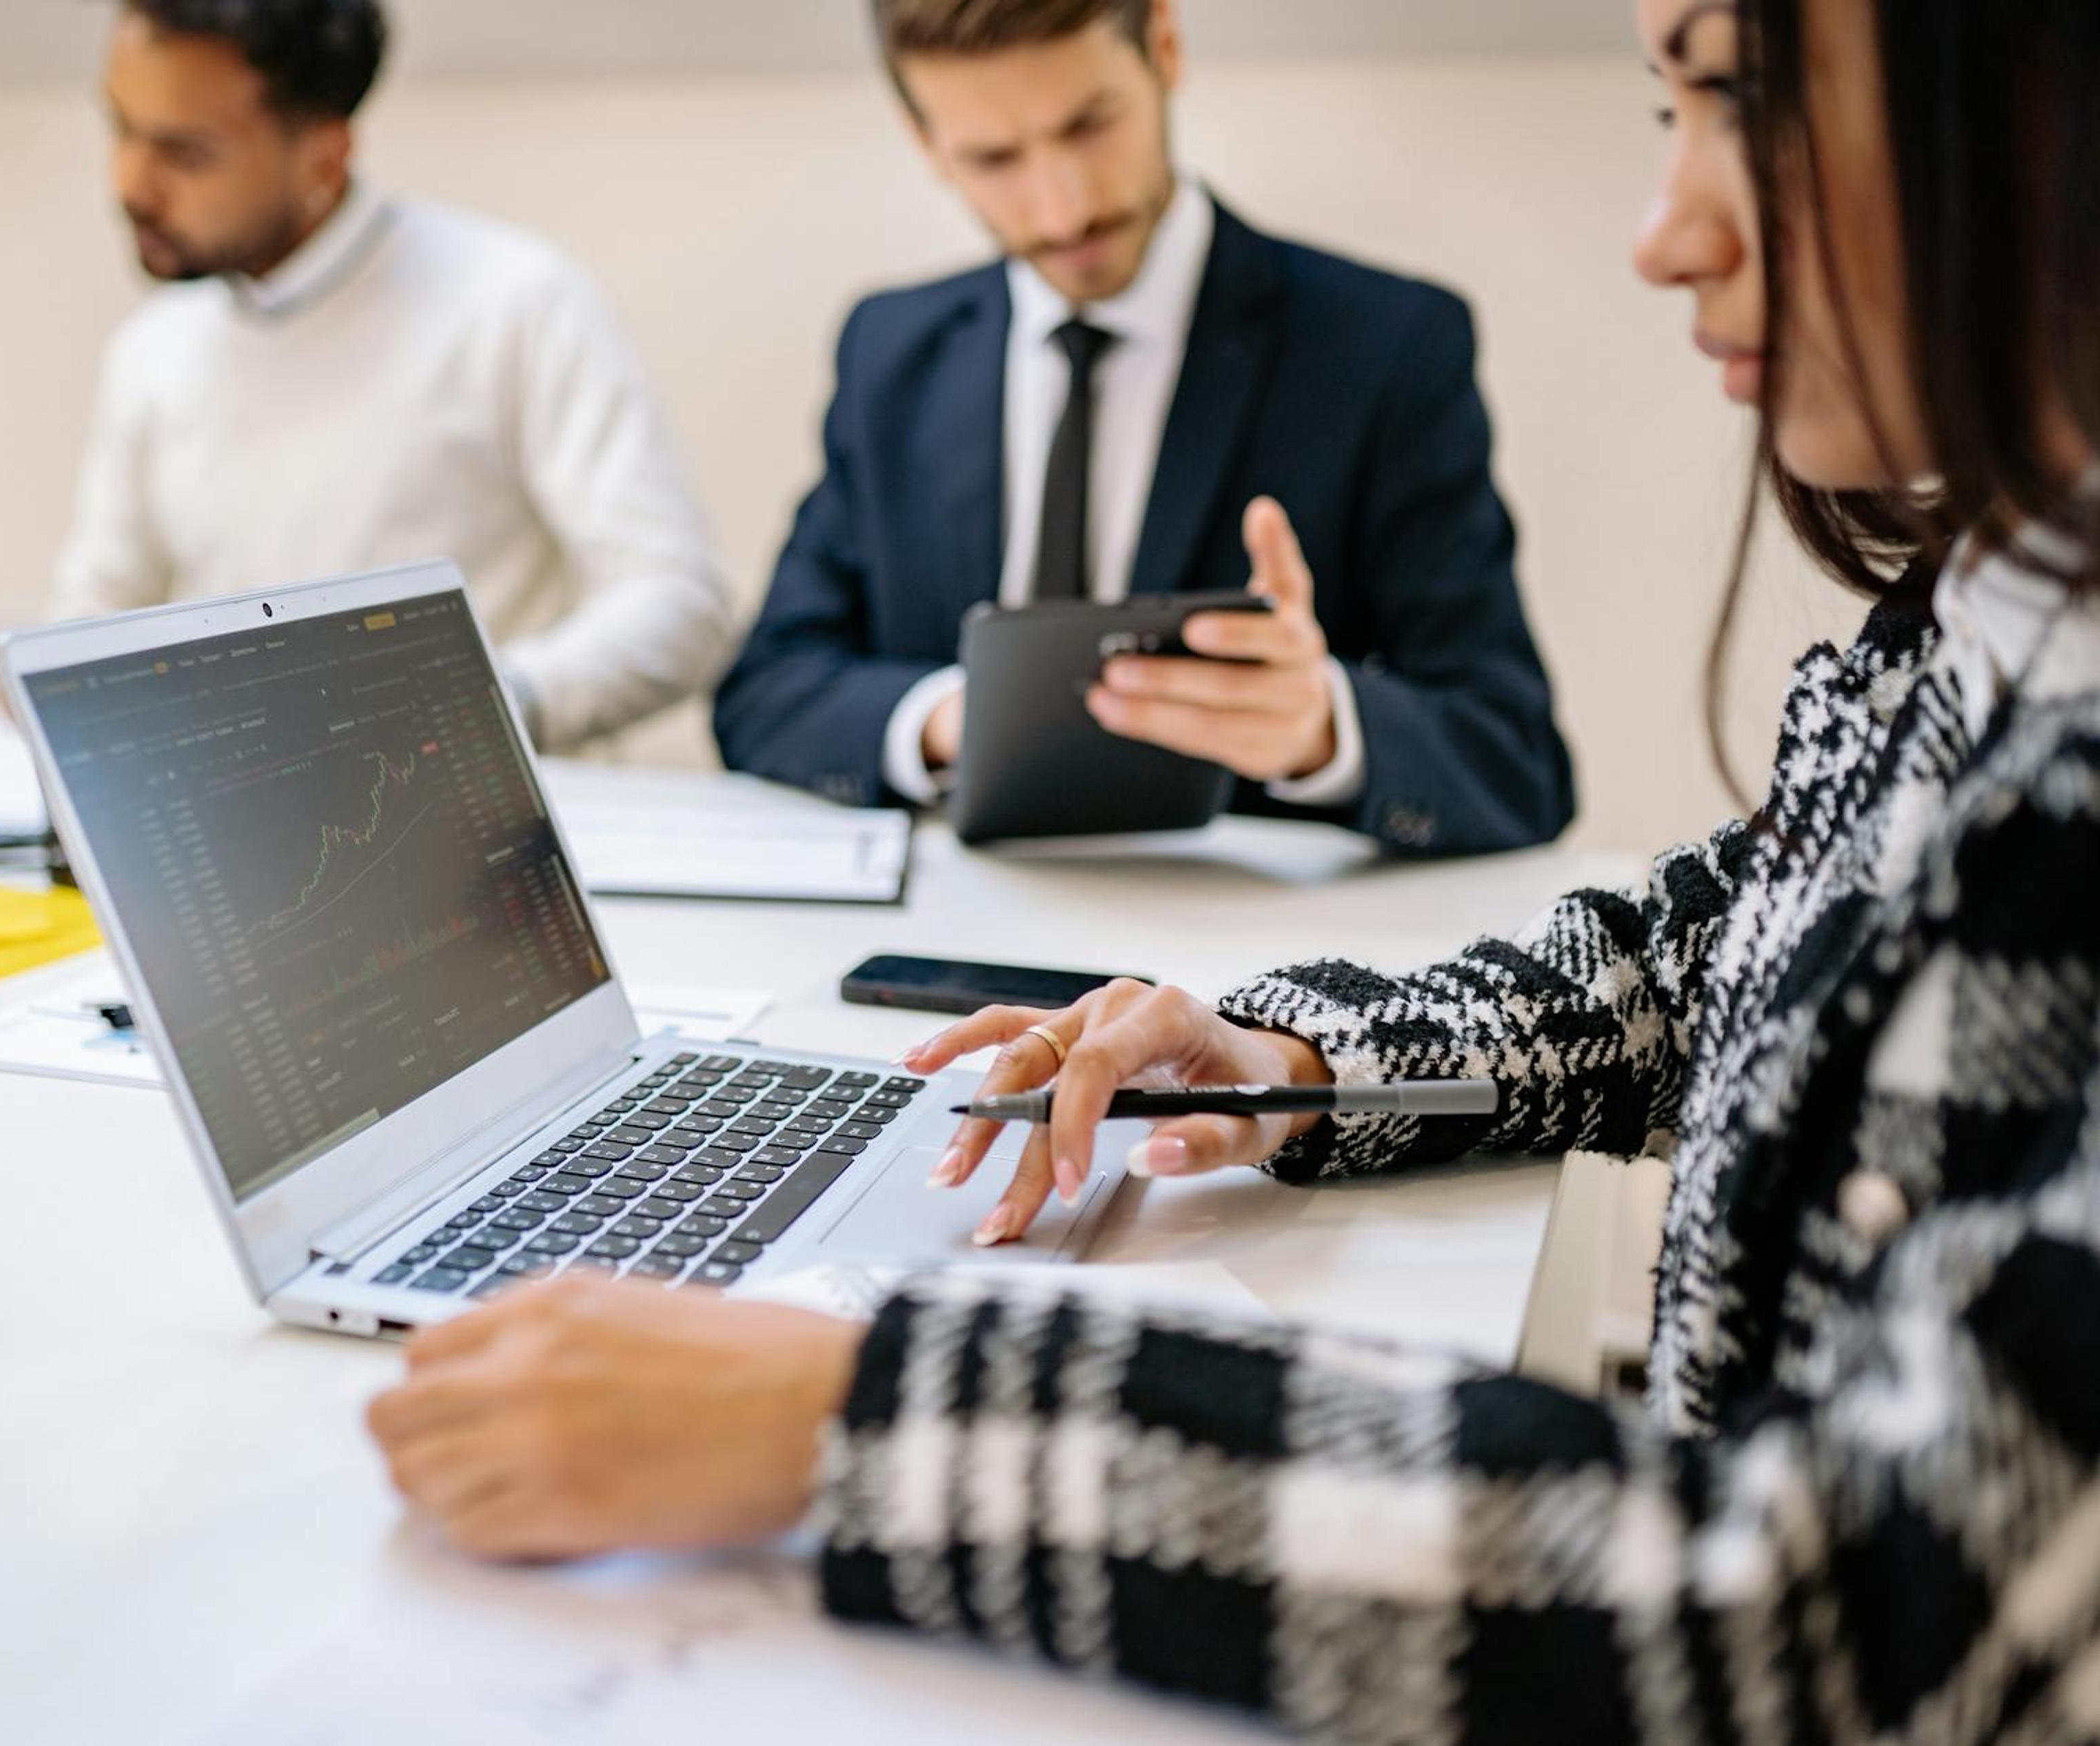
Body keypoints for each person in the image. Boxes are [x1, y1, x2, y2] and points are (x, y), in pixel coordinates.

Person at [368, 0, 2100, 1735]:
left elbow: (1841, 1604)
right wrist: (1286, 1051)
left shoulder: (1381, 346)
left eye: (1744, 103)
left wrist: (877, 1413)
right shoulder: (1971, 614)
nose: (1661, 234)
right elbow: (1696, 953)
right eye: (1670, 112)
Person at [713, 0, 1574, 856]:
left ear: (1164, 45)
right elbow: (765, 694)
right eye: (993, 158)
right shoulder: (890, 355)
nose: (1063, 210)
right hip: (957, 913)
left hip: (1245, 933)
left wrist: (1323, 728)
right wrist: (949, 721)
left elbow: (1518, 762)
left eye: (1090, 126)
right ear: (924, 141)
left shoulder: (1384, 347)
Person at [51, 0, 735, 752]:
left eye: (185, 154)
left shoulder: (516, 303)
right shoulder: (153, 349)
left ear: (324, 155)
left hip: (465, 803)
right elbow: (95, 615)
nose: (129, 184)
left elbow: (680, 602)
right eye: (120, 128)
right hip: (243, 803)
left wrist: (488, 706)